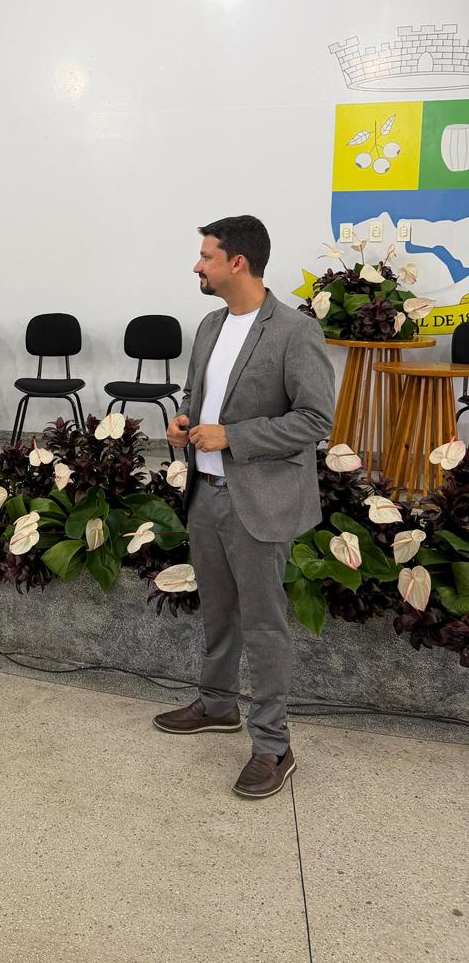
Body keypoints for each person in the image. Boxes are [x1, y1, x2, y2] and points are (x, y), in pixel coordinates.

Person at [153, 215, 334, 799]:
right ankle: (216, 705)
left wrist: (234, 437)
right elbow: (197, 396)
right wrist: (186, 421)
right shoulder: (209, 325)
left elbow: (314, 421)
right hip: (206, 494)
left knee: (263, 623)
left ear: (238, 263)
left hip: (259, 500)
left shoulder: (293, 330)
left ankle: (273, 747)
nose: (196, 266)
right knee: (219, 612)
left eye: (206, 256)